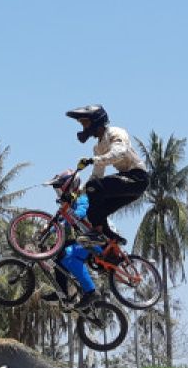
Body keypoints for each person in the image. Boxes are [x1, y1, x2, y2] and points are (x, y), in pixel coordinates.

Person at [66, 105, 149, 247]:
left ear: (96, 121)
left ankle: (97, 234)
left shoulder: (116, 133)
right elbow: (97, 175)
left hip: (137, 178)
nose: (84, 127)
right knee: (95, 212)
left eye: (85, 123)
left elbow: (119, 153)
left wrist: (92, 160)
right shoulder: (98, 148)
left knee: (95, 189)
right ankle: (112, 247)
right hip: (127, 183)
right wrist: (77, 193)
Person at [41, 170, 103, 309]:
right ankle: (62, 292)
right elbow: (62, 221)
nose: (59, 192)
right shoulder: (72, 203)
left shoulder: (82, 198)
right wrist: (48, 230)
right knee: (58, 255)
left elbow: (79, 215)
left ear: (70, 186)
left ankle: (91, 291)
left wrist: (58, 225)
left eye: (60, 188)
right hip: (85, 240)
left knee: (68, 254)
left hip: (97, 241)